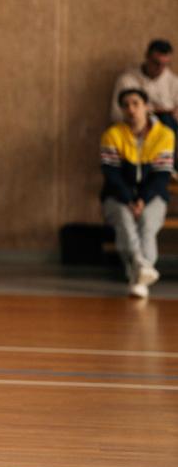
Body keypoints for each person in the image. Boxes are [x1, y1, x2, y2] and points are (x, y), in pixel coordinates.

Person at [101, 87, 175, 298]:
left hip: (153, 196)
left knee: (148, 224)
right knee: (124, 220)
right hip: (118, 196)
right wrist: (129, 200)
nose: (131, 109)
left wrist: (142, 200)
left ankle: (137, 273)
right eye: (126, 105)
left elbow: (162, 175)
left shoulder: (165, 135)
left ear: (146, 107)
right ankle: (142, 267)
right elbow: (111, 174)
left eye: (136, 104)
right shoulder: (112, 135)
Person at [110, 39, 178, 138]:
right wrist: (147, 112)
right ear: (147, 57)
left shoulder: (174, 82)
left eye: (165, 65)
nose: (160, 68)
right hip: (133, 133)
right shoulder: (127, 80)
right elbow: (116, 115)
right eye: (156, 63)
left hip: (166, 135)